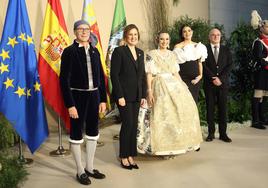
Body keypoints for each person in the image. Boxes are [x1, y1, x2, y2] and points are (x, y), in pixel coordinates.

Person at [137, 31, 202, 156]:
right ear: (158, 40)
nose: (164, 42)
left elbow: (175, 72)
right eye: (162, 39)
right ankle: (161, 147)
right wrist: (149, 91)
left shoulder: (172, 54)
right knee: (162, 113)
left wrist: (183, 85)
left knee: (182, 110)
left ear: (169, 41)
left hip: (173, 84)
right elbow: (149, 74)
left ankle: (177, 144)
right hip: (159, 84)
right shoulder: (151, 54)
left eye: (166, 39)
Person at [60, 20, 107, 185]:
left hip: (94, 96)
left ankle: (90, 167)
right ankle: (80, 170)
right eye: (80, 29)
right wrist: (70, 104)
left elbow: (101, 77)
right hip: (77, 97)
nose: (84, 32)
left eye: (86, 29)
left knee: (93, 131)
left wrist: (102, 99)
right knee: (76, 133)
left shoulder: (95, 51)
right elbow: (64, 80)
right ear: (75, 32)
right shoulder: (69, 52)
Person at [110, 24, 147, 170]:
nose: (133, 37)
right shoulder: (119, 51)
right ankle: (123, 156)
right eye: (130, 34)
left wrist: (143, 95)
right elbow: (114, 75)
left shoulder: (140, 52)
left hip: (137, 95)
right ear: (126, 36)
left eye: (135, 35)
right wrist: (119, 95)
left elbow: (142, 76)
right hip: (123, 96)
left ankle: (131, 155)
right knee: (127, 124)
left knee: (133, 126)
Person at [203, 28, 232, 142]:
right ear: (209, 37)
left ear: (220, 37)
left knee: (223, 109)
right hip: (209, 84)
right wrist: (212, 78)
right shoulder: (204, 49)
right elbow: (203, 65)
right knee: (210, 108)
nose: (215, 37)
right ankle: (211, 133)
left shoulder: (226, 49)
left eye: (218, 35)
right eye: (213, 35)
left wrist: (221, 78)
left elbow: (230, 65)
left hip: (223, 84)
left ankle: (223, 134)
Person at [173, 25, 207, 103]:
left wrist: (200, 76)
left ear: (192, 32)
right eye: (184, 31)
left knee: (193, 102)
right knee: (183, 102)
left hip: (195, 79)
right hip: (182, 77)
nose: (187, 33)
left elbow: (199, 62)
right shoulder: (178, 46)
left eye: (189, 30)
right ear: (182, 34)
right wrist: (178, 80)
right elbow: (174, 65)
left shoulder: (199, 46)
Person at [250, 10, 268, 129]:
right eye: (267, 26)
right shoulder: (258, 42)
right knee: (258, 96)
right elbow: (258, 58)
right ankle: (256, 121)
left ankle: (262, 118)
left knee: (265, 96)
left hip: (267, 73)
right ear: (261, 28)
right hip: (261, 72)